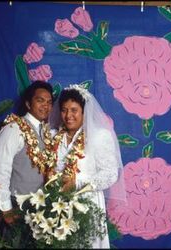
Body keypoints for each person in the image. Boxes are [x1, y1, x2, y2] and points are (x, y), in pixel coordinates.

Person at [48, 84, 126, 248]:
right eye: (64, 110)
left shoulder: (99, 136)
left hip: (87, 205)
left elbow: (110, 174)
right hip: (57, 204)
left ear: (84, 111)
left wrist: (77, 182)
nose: (68, 115)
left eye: (74, 110)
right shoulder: (54, 136)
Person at [0, 80, 55, 224]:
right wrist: (6, 209)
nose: (46, 106)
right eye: (40, 100)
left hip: (39, 205)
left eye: (49, 102)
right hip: (16, 204)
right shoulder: (14, 128)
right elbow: (0, 168)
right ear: (28, 103)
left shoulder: (45, 131)